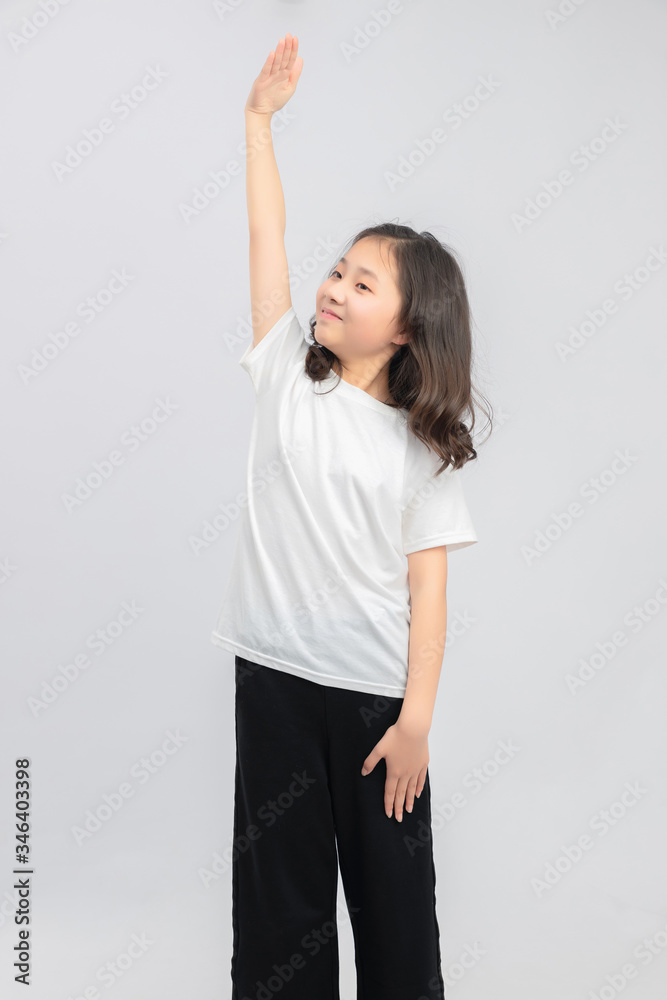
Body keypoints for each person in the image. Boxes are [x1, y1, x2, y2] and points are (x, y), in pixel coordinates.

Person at [210, 33, 493, 1000]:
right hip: (275, 684)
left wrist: (415, 721)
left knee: (394, 910)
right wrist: (257, 126)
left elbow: (429, 596)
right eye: (336, 270)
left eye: (361, 283)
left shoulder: (422, 453)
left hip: (376, 707)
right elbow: (264, 246)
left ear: (408, 327)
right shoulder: (288, 375)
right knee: (278, 908)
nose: (332, 287)